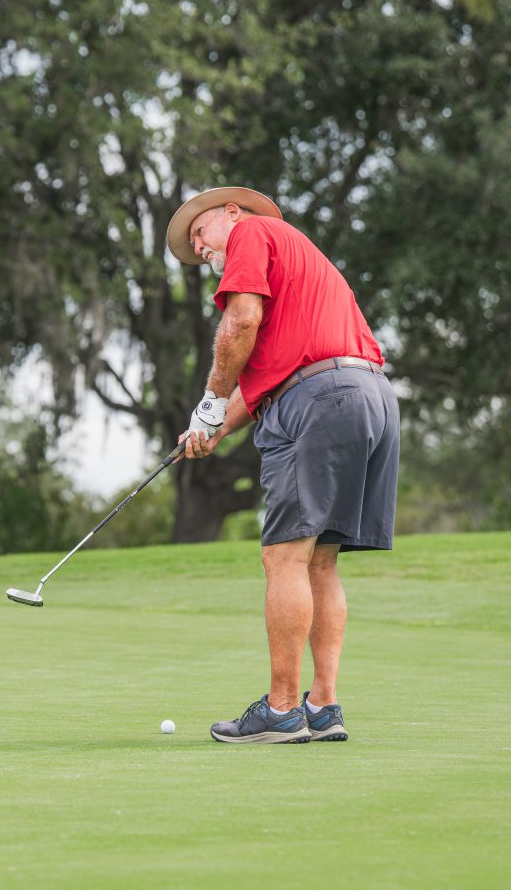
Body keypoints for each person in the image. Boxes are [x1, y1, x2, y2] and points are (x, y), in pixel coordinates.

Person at [168, 186, 400, 745]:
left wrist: (209, 401)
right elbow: (269, 377)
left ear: (231, 212)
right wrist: (213, 427)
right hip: (370, 396)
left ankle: (280, 711)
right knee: (320, 560)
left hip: (318, 401)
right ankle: (322, 705)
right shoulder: (295, 258)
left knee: (284, 556)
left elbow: (240, 321)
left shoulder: (250, 232)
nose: (198, 248)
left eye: (199, 233)